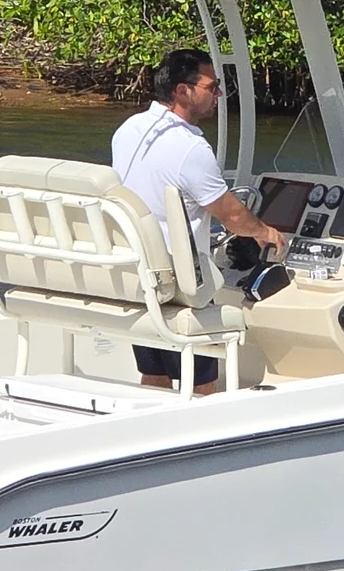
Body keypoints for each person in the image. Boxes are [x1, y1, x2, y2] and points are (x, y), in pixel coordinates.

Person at [112, 47, 288, 389]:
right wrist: (265, 232)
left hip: (136, 274)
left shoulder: (129, 129)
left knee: (156, 373)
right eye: (212, 86)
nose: (219, 94)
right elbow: (233, 216)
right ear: (182, 91)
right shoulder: (191, 148)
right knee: (200, 382)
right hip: (179, 284)